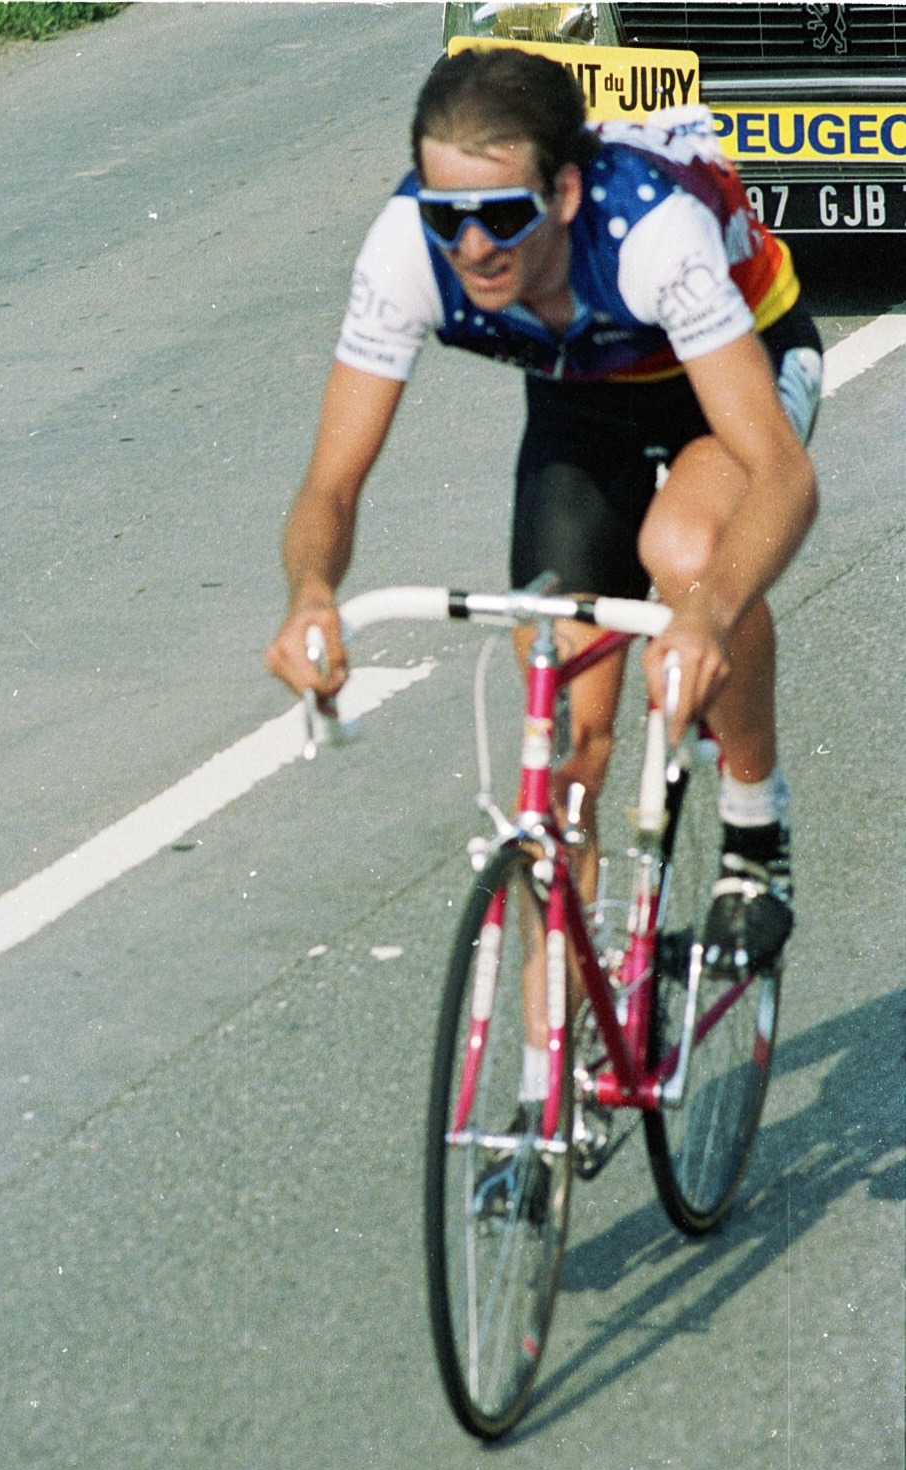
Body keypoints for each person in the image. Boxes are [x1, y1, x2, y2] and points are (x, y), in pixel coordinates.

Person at [266, 47, 820, 1031]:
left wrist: (705, 618)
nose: (472, 246)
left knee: (684, 557)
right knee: (563, 758)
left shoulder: (652, 234)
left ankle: (750, 824)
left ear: (562, 192)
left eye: (502, 217)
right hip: (581, 400)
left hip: (732, 379)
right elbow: (331, 482)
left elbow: (780, 477)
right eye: (447, 218)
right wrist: (311, 591)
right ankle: (542, 1086)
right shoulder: (406, 249)